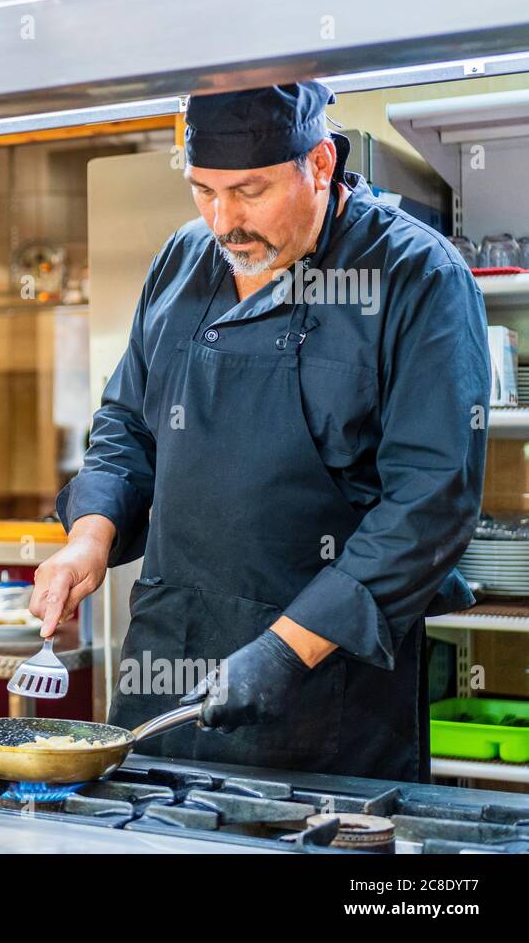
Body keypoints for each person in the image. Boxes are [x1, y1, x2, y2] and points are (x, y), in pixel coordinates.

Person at [31, 82, 488, 782]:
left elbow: (430, 500)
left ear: (321, 165)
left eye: (249, 191)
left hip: (325, 689)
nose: (224, 221)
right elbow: (127, 423)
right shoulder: (182, 260)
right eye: (203, 191)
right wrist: (87, 538)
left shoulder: (417, 274)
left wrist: (285, 650)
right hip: (166, 658)